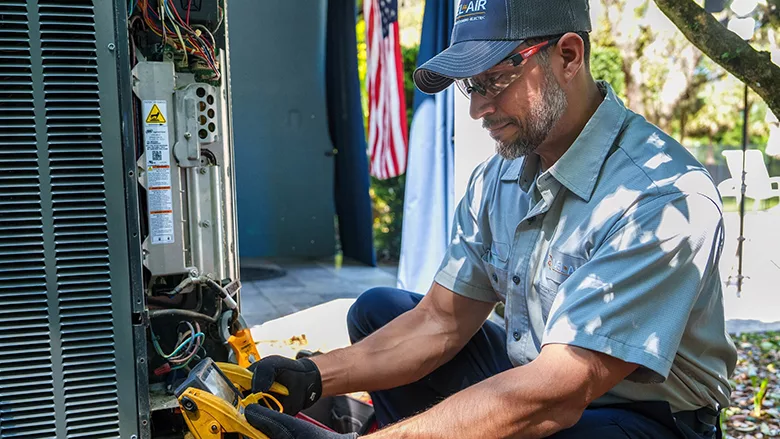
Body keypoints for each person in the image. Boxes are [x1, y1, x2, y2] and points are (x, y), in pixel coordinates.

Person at [244, 0, 738, 437]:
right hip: (543, 375)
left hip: (642, 415)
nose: (480, 107)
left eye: (496, 78)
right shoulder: (499, 178)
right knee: (379, 309)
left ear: (568, 55)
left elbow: (561, 388)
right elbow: (438, 322)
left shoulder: (661, 199)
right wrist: (312, 376)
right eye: (470, 85)